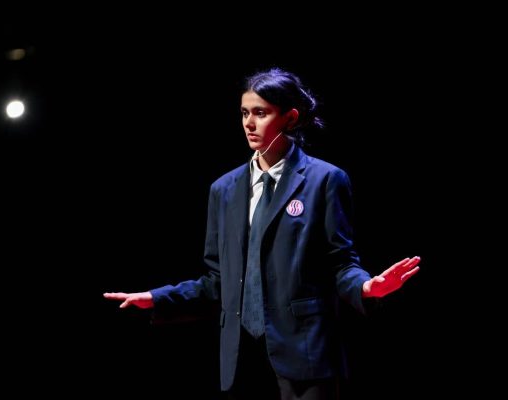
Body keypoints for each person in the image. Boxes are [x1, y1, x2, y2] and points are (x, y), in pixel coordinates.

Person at [104, 67, 420, 400]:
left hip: (305, 353)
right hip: (240, 357)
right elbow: (216, 281)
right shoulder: (224, 190)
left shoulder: (325, 180)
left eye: (261, 113)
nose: (249, 123)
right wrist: (158, 297)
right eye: (244, 113)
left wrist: (367, 287)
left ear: (290, 118)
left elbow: (340, 262)